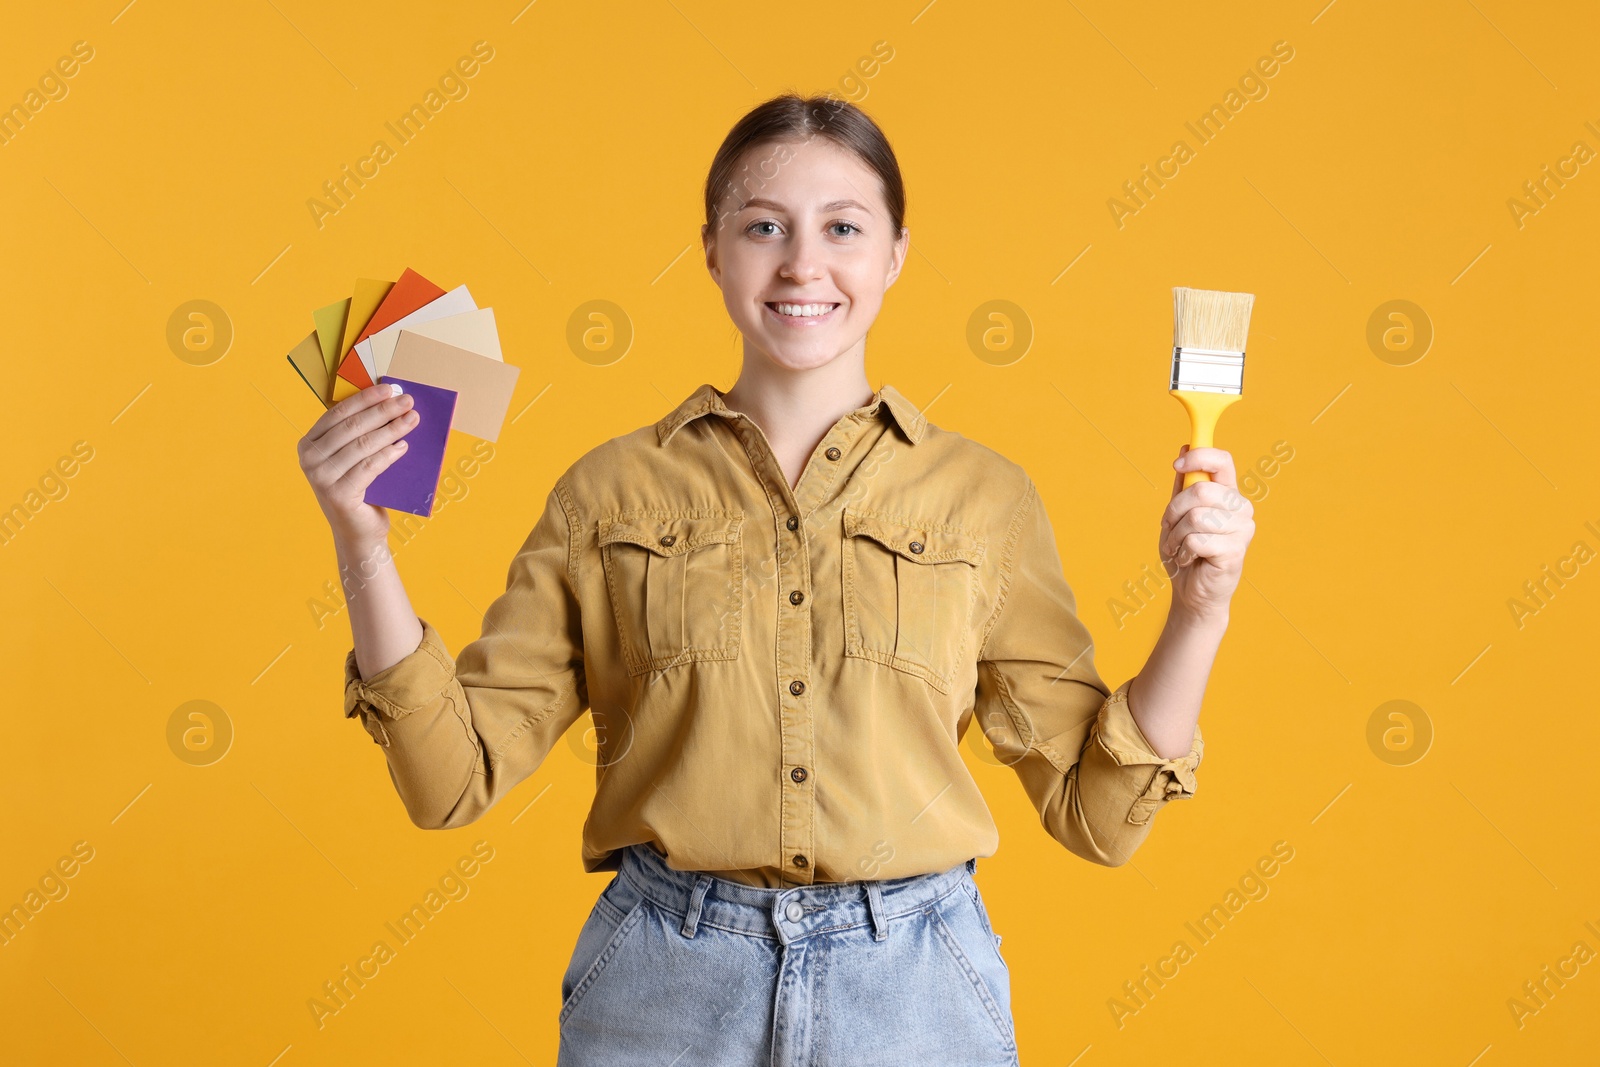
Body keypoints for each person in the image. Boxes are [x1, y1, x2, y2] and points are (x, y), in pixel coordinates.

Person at [296, 92, 1253, 1066]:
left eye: (842, 227)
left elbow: (1100, 817)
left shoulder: (984, 498)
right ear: (711, 250)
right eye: (763, 226)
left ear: (894, 255)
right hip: (660, 994)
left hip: (915, 993)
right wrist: (362, 543)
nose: (803, 263)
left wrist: (1197, 611)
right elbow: (447, 784)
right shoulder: (605, 492)